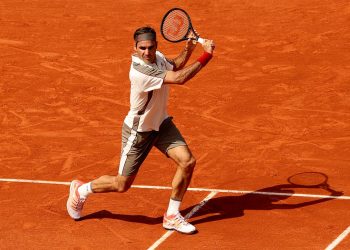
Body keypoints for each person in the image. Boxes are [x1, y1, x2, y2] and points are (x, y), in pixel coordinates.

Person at [66, 26, 215, 234]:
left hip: (161, 124)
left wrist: (188, 47)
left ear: (156, 46)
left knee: (187, 161)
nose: (147, 52)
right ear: (134, 48)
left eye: (151, 47)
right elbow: (179, 78)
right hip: (139, 132)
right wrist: (206, 54)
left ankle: (172, 215)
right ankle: (81, 190)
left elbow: (174, 66)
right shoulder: (140, 71)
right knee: (121, 184)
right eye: (142, 48)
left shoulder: (158, 57)